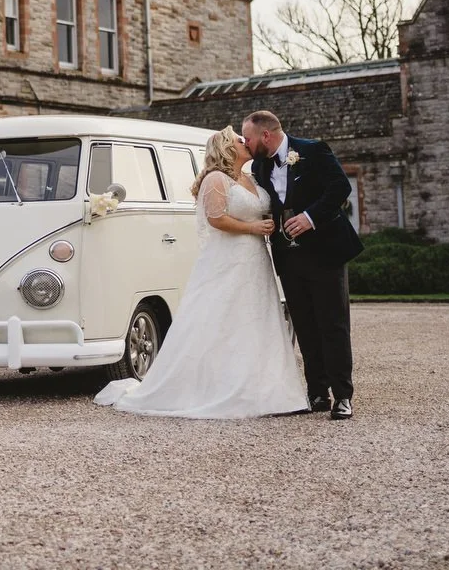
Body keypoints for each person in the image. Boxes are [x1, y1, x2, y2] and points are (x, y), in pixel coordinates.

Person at [95, 126, 308, 419]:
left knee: (256, 318)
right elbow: (216, 219)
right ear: (226, 148)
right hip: (229, 258)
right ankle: (218, 388)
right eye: (239, 140)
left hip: (256, 259)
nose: (245, 142)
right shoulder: (215, 179)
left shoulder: (251, 177)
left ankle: (265, 390)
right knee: (223, 320)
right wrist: (253, 227)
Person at [240, 110, 363, 421]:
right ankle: (317, 392)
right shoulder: (258, 166)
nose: (246, 143)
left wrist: (310, 218)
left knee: (333, 324)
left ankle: (343, 396)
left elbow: (340, 188)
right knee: (305, 326)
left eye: (248, 138)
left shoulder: (313, 150)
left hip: (325, 251)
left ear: (266, 135)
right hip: (288, 255)